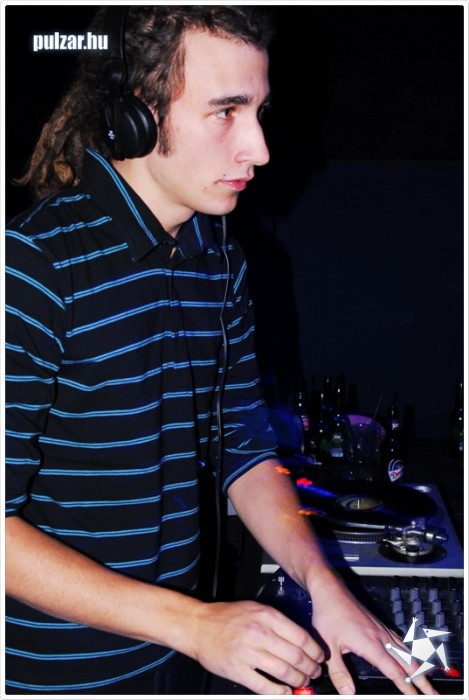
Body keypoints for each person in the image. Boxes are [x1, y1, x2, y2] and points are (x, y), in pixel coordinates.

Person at [5, 5, 437, 696]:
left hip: (178, 659)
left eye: (258, 112)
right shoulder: (31, 267)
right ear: (135, 114)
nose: (259, 149)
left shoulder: (218, 259)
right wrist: (196, 625)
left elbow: (244, 447)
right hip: (56, 679)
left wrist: (322, 582)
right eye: (226, 111)